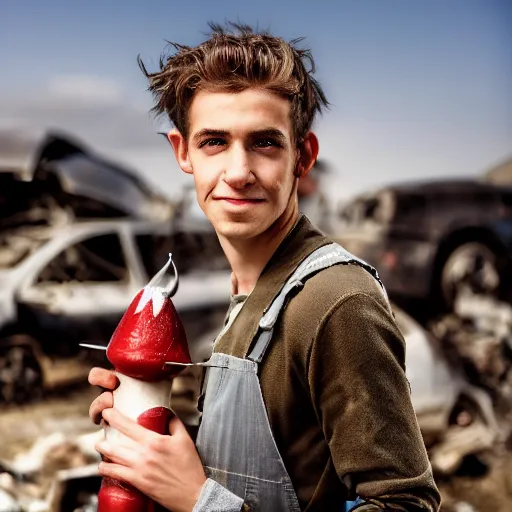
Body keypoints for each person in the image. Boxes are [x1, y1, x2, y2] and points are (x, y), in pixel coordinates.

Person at [88, 22, 441, 512]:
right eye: (214, 141)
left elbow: (405, 505)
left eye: (265, 143)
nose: (238, 172)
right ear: (182, 152)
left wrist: (198, 499)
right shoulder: (250, 293)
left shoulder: (336, 302)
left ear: (304, 156)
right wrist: (159, 442)